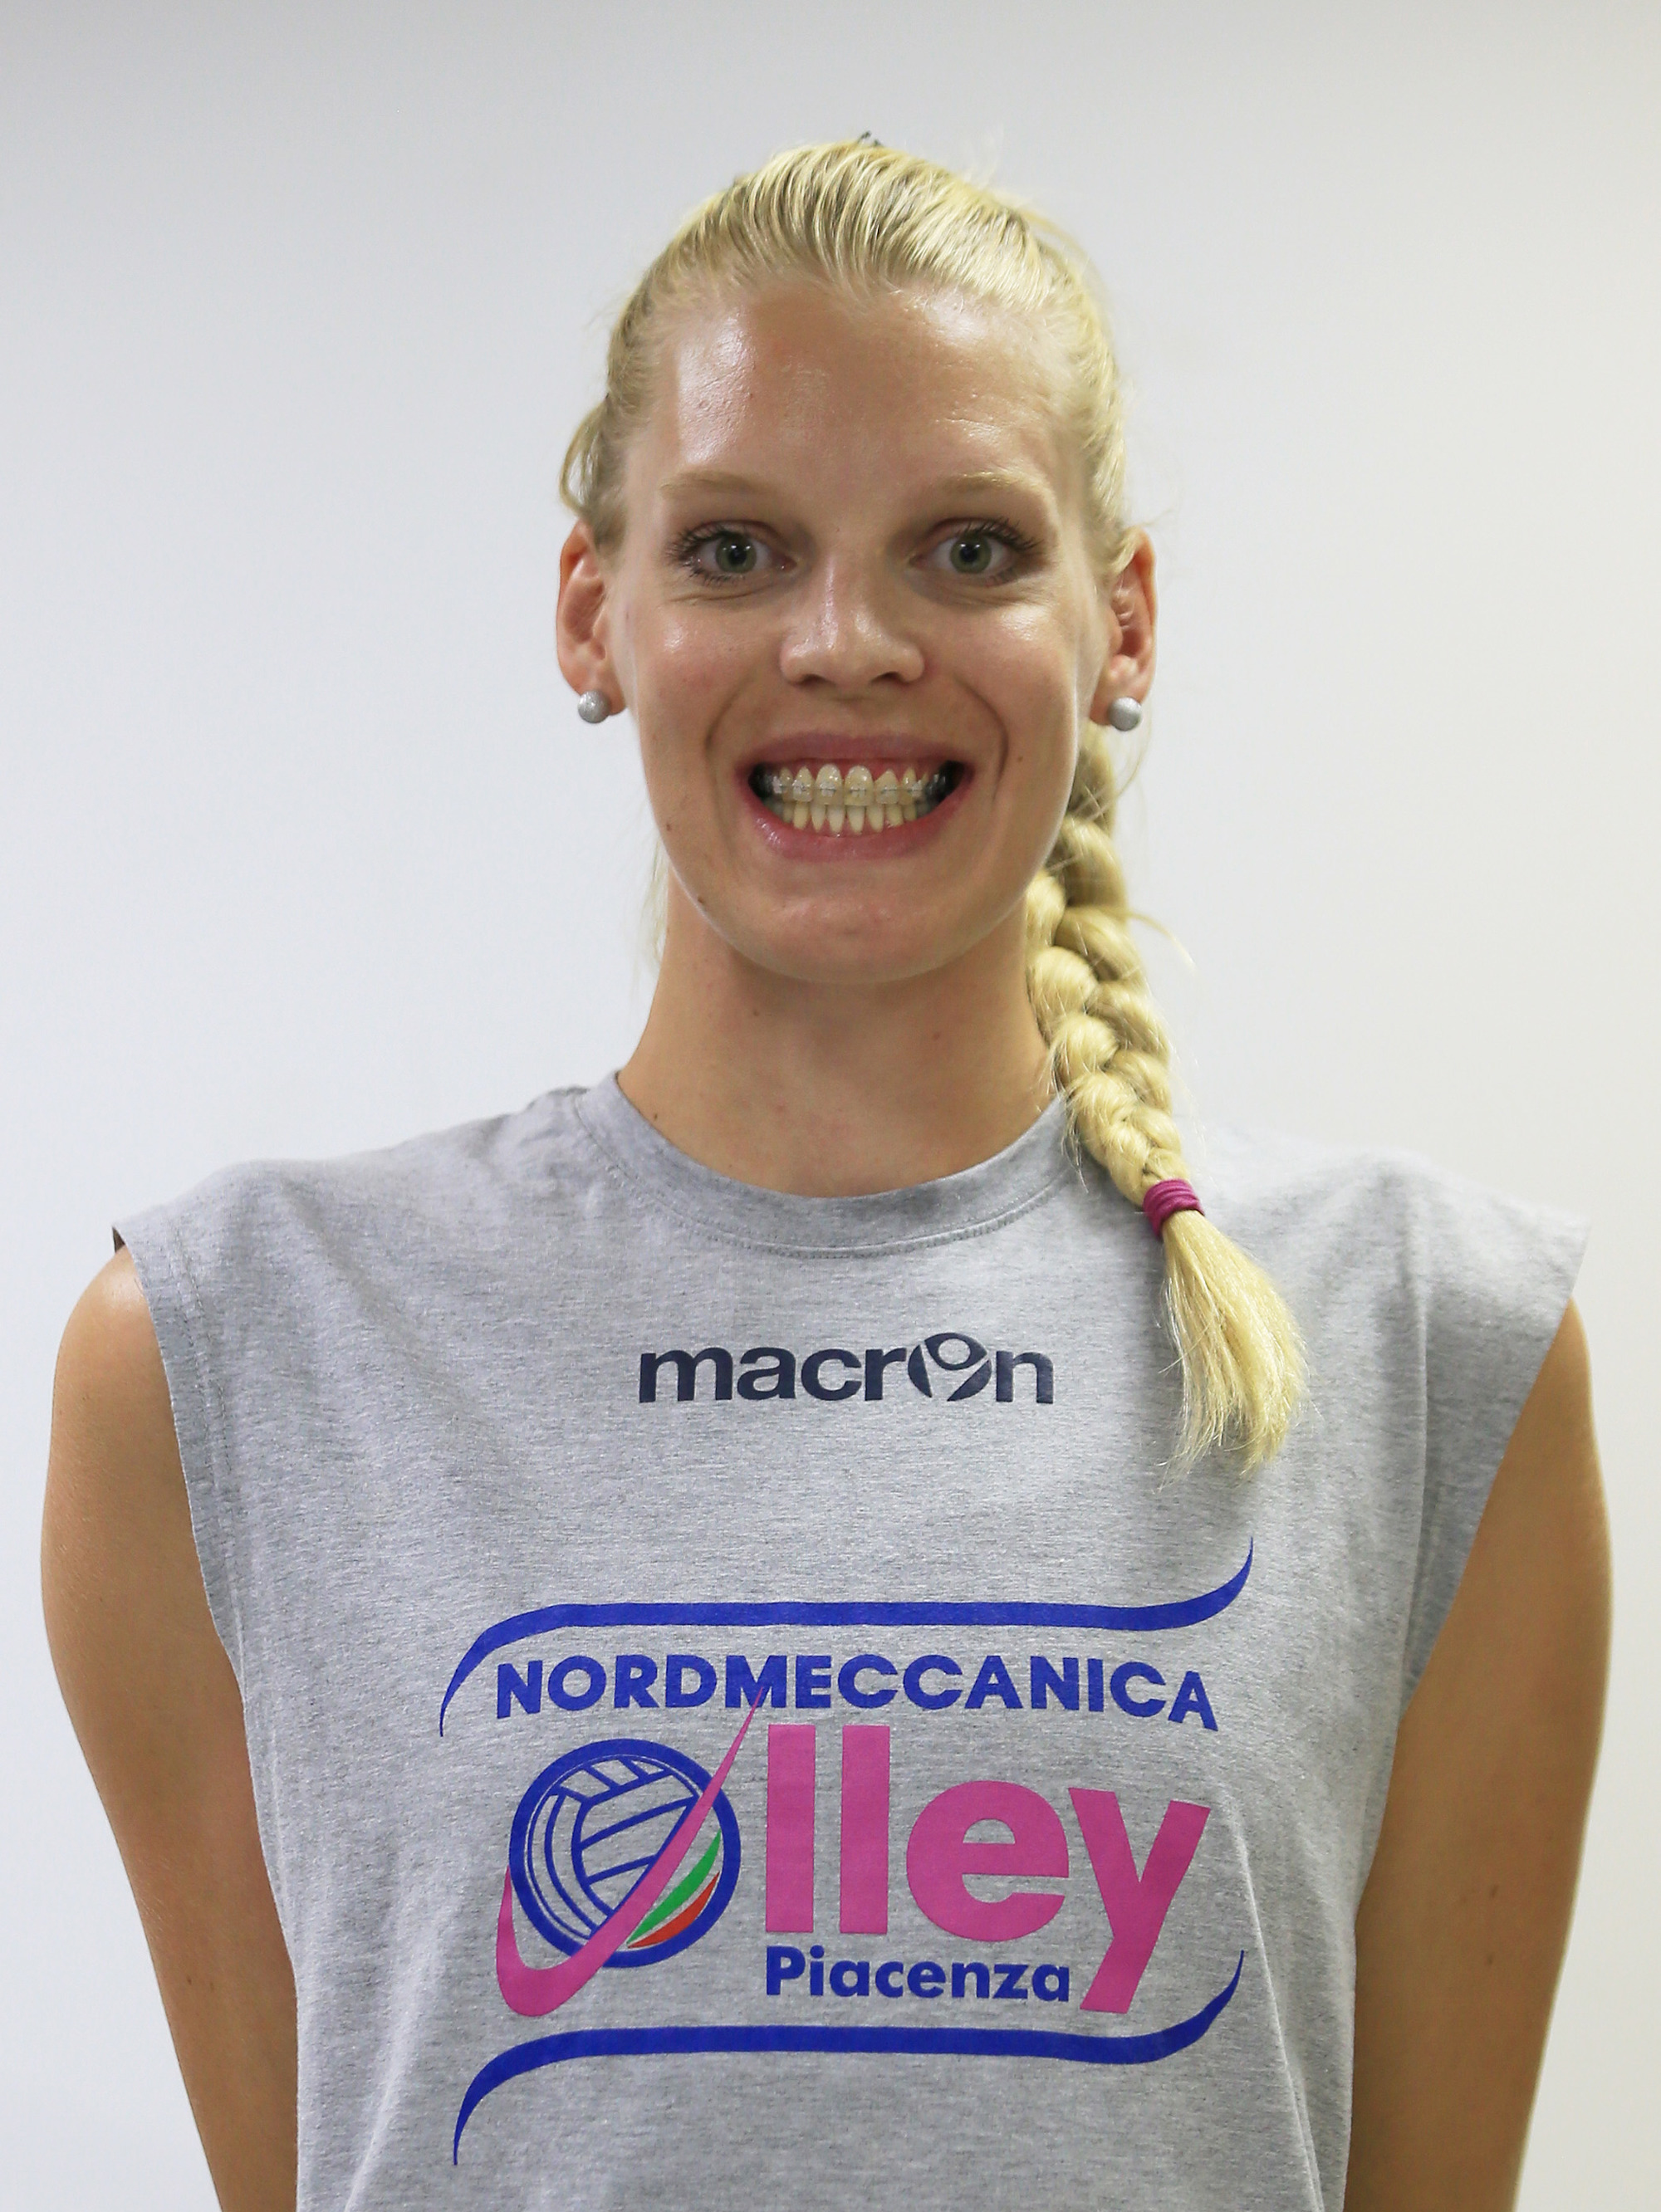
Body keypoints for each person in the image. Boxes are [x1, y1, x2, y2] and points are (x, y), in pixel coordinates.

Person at [42, 141, 1609, 2212]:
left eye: (967, 548)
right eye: (735, 550)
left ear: (1121, 622)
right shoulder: (229, 1357)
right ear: (594, 612)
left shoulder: (1429, 1339)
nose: (848, 641)